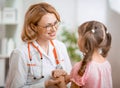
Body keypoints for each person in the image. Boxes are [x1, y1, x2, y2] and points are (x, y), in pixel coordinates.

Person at [5, 2, 72, 88]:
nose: (54, 29)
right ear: (34, 27)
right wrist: (45, 85)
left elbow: (70, 82)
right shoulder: (21, 53)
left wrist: (66, 77)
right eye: (48, 26)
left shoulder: (61, 47)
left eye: (55, 23)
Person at [70, 21, 113, 88]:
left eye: (79, 36)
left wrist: (61, 83)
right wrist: (68, 76)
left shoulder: (80, 68)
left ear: (85, 40)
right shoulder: (106, 64)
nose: (77, 40)